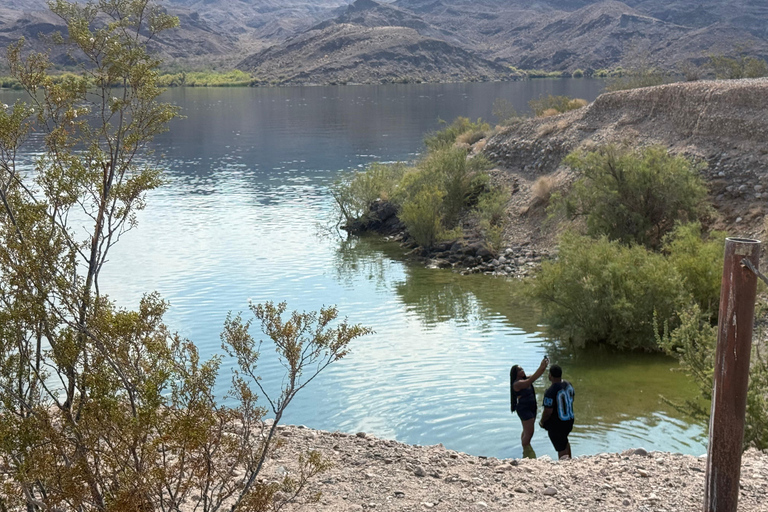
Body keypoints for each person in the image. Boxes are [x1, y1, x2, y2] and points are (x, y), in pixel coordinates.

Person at [510, 356, 549, 459]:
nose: (522, 370)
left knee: (527, 431)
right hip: (524, 409)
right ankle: (526, 450)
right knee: (529, 432)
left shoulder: (526, 379)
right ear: (515, 373)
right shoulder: (517, 384)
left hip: (532, 407)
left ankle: (525, 451)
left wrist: (544, 367)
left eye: (522, 368)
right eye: (519, 370)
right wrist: (541, 366)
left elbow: (537, 375)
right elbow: (532, 379)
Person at [539, 364, 575, 460]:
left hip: (558, 422)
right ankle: (570, 461)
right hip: (569, 419)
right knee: (564, 441)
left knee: (560, 446)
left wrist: (542, 421)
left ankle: (564, 465)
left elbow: (548, 411)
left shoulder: (550, 391)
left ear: (550, 375)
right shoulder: (569, 385)